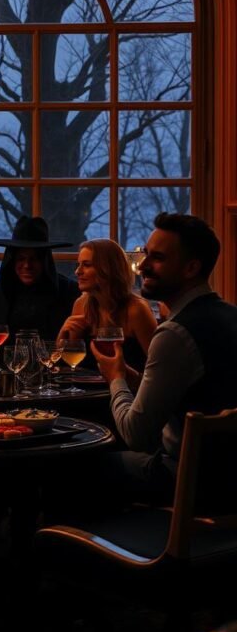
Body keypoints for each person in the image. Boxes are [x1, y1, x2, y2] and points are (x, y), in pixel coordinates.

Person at [90, 212, 237, 504]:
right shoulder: (231, 315)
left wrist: (116, 378)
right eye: (145, 254)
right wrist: (134, 379)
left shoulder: (174, 333)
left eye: (156, 258)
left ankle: (81, 545)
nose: (142, 266)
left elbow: (137, 435)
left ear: (191, 268)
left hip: (192, 485)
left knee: (79, 464)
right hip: (230, 481)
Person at [0, 215, 78, 353]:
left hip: (56, 372)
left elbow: (77, 346)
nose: (27, 265)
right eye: (21, 259)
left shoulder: (68, 291)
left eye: (34, 259)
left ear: (44, 261)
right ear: (12, 261)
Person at [58, 238, 157, 373]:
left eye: (86, 265)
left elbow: (159, 367)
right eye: (78, 265)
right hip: (88, 391)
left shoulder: (136, 310)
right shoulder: (82, 304)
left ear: (108, 269)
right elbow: (70, 363)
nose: (78, 272)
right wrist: (65, 331)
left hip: (130, 391)